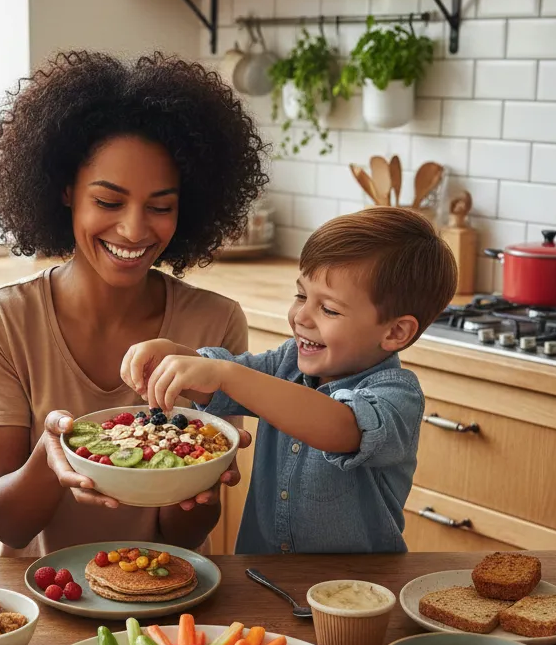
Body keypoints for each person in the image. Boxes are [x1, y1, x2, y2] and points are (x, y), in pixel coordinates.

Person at [0, 50, 268, 556]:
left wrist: (199, 476)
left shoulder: (215, 321)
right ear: (65, 191)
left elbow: (188, 535)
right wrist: (52, 453)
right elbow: (10, 527)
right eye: (108, 202)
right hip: (27, 596)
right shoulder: (4, 317)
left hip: (163, 587)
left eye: (161, 206)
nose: (133, 229)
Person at [121, 206, 457, 554]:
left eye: (329, 309)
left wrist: (228, 374)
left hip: (355, 593)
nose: (301, 317)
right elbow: (217, 381)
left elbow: (341, 427)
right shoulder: (287, 362)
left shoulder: (397, 395)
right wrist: (175, 357)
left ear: (395, 331)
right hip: (262, 579)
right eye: (301, 295)